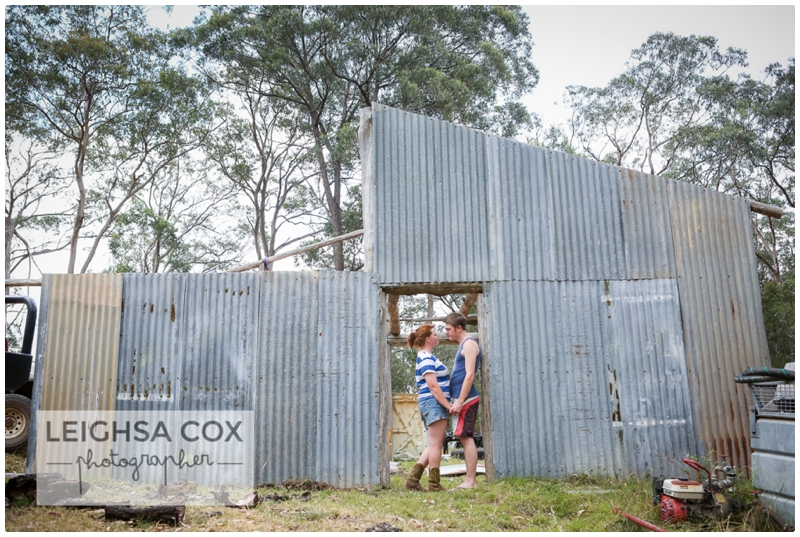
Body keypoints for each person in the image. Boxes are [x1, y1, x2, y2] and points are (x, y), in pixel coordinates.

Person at [404, 324, 450, 492]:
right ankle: (434, 484)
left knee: (433, 444)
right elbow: (433, 386)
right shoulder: (426, 358)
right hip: (433, 402)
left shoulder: (426, 356)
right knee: (437, 445)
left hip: (430, 402)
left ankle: (413, 480)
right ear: (428, 339)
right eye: (435, 334)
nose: (438, 336)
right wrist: (448, 405)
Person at [445, 312, 482, 490]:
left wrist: (460, 401)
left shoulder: (469, 344)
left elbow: (470, 375)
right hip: (461, 397)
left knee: (466, 437)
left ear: (459, 328)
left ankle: (470, 481)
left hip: (466, 398)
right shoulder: (463, 345)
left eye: (449, 329)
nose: (446, 332)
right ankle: (470, 480)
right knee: (463, 436)